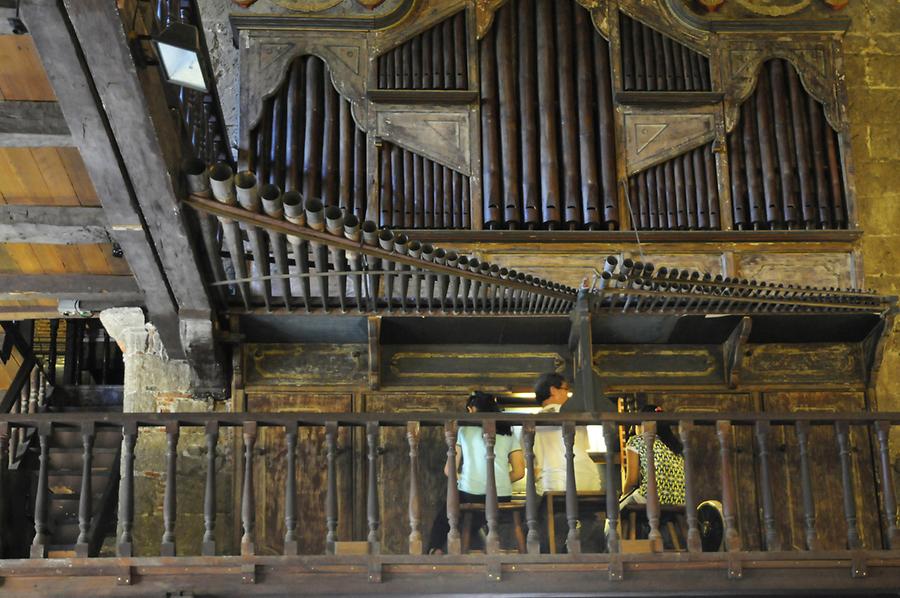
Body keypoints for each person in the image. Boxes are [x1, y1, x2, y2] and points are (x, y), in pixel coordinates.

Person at [426, 391, 525, 554]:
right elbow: (520, 471)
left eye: (468, 410)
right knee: (473, 518)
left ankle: (435, 549)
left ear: (473, 409)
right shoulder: (509, 433)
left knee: (448, 514)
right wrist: (498, 483)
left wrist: (465, 480)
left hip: (472, 492)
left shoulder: (465, 430)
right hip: (502, 495)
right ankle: (482, 548)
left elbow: (448, 470)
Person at [531, 372, 603, 552]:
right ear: (553, 390)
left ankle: (552, 551)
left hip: (555, 485)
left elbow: (534, 466)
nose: (568, 395)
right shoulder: (576, 416)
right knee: (586, 516)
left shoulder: (530, 422)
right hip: (588, 482)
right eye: (566, 390)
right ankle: (586, 548)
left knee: (537, 507)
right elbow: (583, 447)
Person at [620, 404, 685, 509]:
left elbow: (632, 480)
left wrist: (623, 497)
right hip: (681, 500)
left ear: (643, 424)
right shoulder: (674, 445)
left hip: (652, 497)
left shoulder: (637, 440)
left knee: (614, 515)